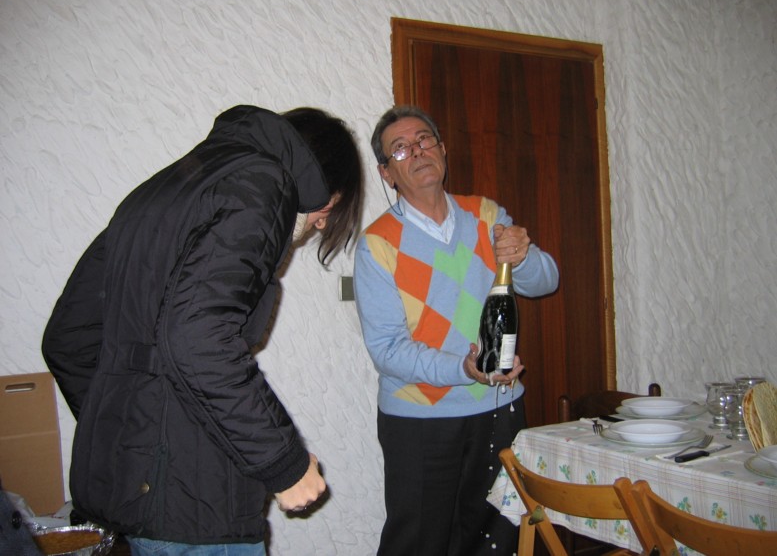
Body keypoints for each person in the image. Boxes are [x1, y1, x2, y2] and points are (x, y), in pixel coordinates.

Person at [41, 105, 363, 556]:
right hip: (195, 506)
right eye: (330, 209)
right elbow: (198, 339)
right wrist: (285, 464)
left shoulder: (158, 189)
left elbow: (68, 338)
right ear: (320, 184)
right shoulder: (264, 183)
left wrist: (126, 433)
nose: (322, 223)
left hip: (125, 493)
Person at [353, 105, 559, 556]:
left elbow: (546, 282)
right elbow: (387, 350)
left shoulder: (485, 214)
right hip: (418, 420)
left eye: (424, 139)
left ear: (443, 150)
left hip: (500, 406)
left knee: (501, 541)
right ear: (387, 173)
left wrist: (524, 256)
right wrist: (464, 368)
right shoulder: (376, 244)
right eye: (400, 149)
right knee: (420, 544)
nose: (417, 151)